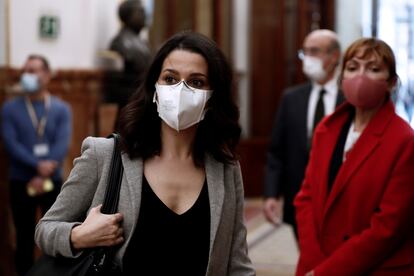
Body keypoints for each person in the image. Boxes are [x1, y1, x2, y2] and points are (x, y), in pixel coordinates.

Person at [35, 31, 255, 276]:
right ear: (154, 88)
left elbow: (237, 264)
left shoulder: (225, 168)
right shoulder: (105, 155)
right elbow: (45, 230)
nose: (180, 90)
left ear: (212, 98)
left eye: (196, 82)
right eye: (170, 79)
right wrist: (79, 235)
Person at [294, 38, 414, 275]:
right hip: (317, 263)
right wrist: (314, 260)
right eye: (353, 67)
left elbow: (387, 227)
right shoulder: (326, 129)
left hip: (371, 267)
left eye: (373, 69)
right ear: (342, 79)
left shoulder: (404, 140)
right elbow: (305, 198)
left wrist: (329, 270)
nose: (361, 76)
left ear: (390, 83)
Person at [263, 29, 343, 233]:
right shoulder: (291, 98)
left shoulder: (351, 98)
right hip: (298, 197)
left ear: (334, 56)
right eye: (304, 52)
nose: (307, 58)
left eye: (314, 51)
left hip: (340, 198)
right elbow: (276, 151)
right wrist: (271, 194)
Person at [1, 54, 72, 275]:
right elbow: (11, 144)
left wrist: (45, 172)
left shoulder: (61, 109)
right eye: (25, 71)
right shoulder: (10, 109)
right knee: (23, 237)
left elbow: (62, 144)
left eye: (33, 70)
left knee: (56, 235)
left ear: (47, 75)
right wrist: (36, 166)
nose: (28, 75)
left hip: (52, 180)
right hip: (21, 180)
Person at [107, 0, 152, 118]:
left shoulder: (142, 42)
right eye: (140, 12)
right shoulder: (120, 42)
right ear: (128, 16)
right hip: (129, 93)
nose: (144, 15)